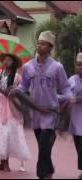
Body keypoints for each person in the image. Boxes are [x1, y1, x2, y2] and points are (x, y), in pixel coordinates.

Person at [11, 31, 72, 179]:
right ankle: (49, 170)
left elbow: (66, 89)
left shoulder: (57, 67)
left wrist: (61, 99)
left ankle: (42, 175)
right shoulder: (28, 67)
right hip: (35, 115)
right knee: (43, 147)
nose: (39, 45)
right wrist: (15, 91)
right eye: (38, 43)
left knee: (44, 145)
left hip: (51, 114)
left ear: (50, 47)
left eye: (43, 43)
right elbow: (24, 86)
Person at [0, 53, 31, 172]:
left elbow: (9, 94)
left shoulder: (17, 77)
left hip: (10, 106)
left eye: (9, 60)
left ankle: (6, 163)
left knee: (7, 133)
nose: (6, 62)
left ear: (13, 63)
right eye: (4, 60)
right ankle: (1, 162)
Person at [62, 52, 82, 179]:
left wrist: (78, 99)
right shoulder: (71, 80)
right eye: (79, 65)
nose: (81, 67)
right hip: (75, 120)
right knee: (78, 146)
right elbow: (65, 94)